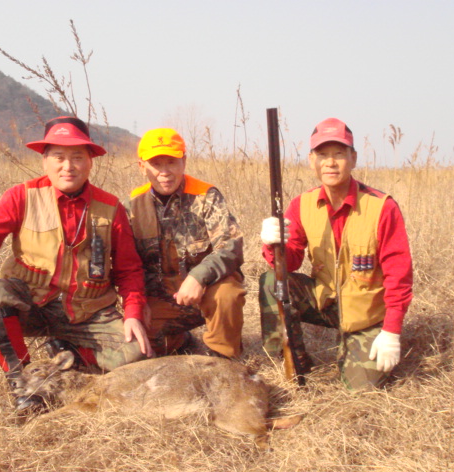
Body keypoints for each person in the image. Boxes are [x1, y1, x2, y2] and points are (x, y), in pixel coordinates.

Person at [0, 116, 153, 412]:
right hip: (32, 306)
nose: (68, 166)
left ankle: (67, 353)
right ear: (44, 161)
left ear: (90, 162)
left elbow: (128, 270)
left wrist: (132, 314)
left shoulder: (110, 207)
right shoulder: (21, 196)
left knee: (136, 355)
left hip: (86, 312)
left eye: (77, 157)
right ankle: (23, 388)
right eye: (58, 157)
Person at [259, 117, 413, 390]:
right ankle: (290, 360)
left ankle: (359, 346)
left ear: (353, 158)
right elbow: (289, 263)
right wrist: (274, 245)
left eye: (339, 154)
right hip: (325, 301)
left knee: (362, 390)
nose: (330, 163)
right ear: (311, 160)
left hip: (365, 313)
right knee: (272, 281)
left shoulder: (382, 207)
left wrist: (391, 331)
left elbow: (398, 275)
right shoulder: (302, 204)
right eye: (322, 155)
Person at [127, 127, 246, 359]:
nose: (165, 172)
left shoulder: (206, 195)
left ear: (184, 162)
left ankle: (223, 358)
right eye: (156, 164)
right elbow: (127, 264)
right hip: (162, 297)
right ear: (142, 167)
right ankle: (180, 341)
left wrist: (198, 277)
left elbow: (231, 246)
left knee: (227, 294)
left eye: (172, 162)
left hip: (206, 290)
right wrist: (138, 303)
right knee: (136, 348)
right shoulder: (132, 205)